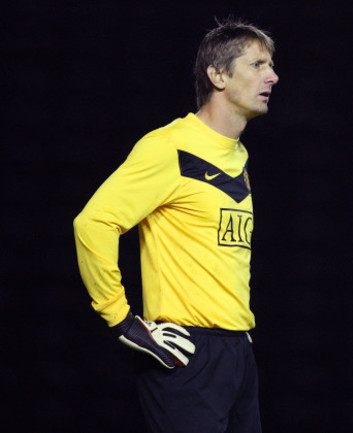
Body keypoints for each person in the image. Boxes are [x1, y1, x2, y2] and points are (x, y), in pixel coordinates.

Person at [73, 18, 279, 433]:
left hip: (237, 350)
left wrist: (236, 332)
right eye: (258, 64)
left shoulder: (238, 157)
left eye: (270, 64)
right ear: (218, 75)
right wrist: (124, 321)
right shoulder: (168, 146)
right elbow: (93, 223)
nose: (273, 76)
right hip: (187, 354)